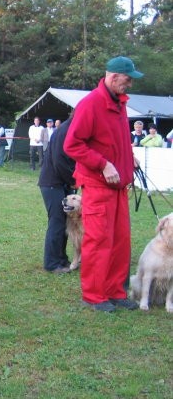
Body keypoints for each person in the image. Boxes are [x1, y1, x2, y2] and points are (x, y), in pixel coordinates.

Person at [63, 56, 142, 313]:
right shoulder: (91, 104)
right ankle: (94, 295)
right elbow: (72, 144)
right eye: (127, 79)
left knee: (120, 240)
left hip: (118, 187)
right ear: (113, 76)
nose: (129, 84)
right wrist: (103, 164)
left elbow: (114, 142)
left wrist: (130, 159)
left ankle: (115, 292)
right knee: (98, 240)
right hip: (98, 186)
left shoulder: (119, 104)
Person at [38, 116, 76, 274]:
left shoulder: (69, 130)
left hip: (61, 183)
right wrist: (73, 180)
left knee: (64, 221)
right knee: (57, 222)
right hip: (52, 183)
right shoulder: (64, 131)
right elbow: (59, 160)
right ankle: (52, 263)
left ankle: (61, 259)